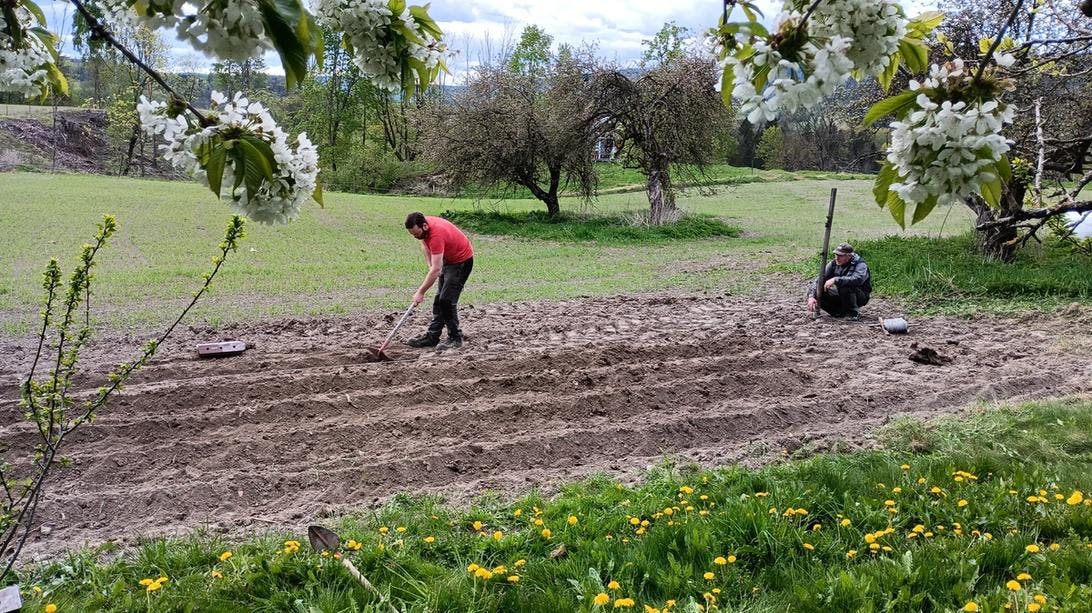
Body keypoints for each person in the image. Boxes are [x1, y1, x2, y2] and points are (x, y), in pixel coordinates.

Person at [404, 212, 474, 349]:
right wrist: (430, 264)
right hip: (447, 259)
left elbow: (436, 270)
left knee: (446, 301)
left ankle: (455, 338)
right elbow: (424, 244)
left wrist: (420, 292)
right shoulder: (424, 228)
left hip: (461, 262)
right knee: (439, 300)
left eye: (417, 233)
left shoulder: (436, 235)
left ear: (424, 226)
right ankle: (432, 337)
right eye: (413, 235)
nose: (416, 237)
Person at [807, 242, 871, 320]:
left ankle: (852, 314)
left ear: (849, 256)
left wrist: (836, 279)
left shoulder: (860, 264)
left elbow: (857, 280)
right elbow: (819, 279)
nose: (837, 258)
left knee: (845, 287)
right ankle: (838, 312)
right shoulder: (834, 263)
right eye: (836, 255)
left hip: (860, 295)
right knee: (818, 288)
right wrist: (812, 296)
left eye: (840, 256)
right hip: (840, 293)